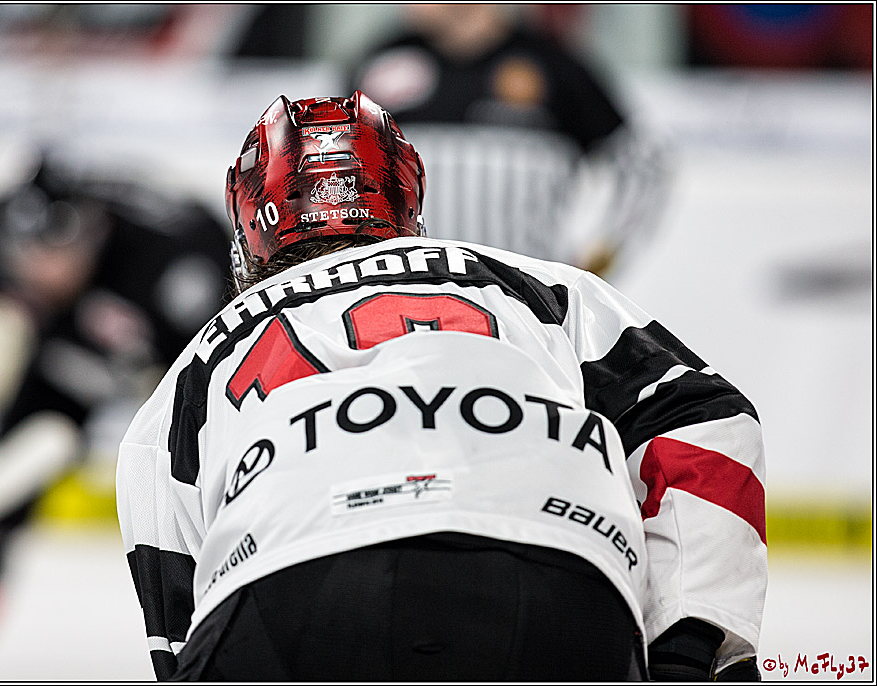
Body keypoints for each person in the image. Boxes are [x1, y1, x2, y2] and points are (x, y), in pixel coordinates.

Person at [116, 92, 765, 681]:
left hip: (294, 587)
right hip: (557, 570)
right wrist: (693, 638)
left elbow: (172, 600)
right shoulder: (536, 286)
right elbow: (704, 416)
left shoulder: (201, 359)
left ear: (249, 232)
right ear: (408, 208)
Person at [0, 151, 233, 661]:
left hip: (178, 349)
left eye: (58, 256)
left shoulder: (178, 261)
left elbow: (227, 361)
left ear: (94, 235)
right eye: (25, 255)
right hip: (75, 349)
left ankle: (217, 647)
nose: (40, 272)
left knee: (200, 504)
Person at [352, 4, 671, 277]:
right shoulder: (378, 63)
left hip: (523, 303)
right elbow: (334, 167)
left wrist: (599, 257)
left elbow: (641, 166)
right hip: (403, 297)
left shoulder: (555, 66)